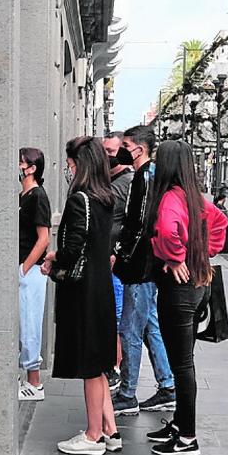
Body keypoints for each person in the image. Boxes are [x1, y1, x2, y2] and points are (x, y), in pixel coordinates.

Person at [143, 140, 227, 455]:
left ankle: (187, 437)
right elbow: (219, 223)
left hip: (179, 288)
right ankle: (179, 425)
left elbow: (166, 231)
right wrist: (201, 254)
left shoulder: (169, 198)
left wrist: (177, 257)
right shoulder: (193, 197)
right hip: (197, 285)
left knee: (181, 363)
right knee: (184, 358)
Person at [43, 137, 119, 455]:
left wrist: (53, 260)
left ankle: (92, 435)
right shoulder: (106, 198)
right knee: (99, 364)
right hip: (101, 287)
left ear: (79, 163)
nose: (67, 168)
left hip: (84, 291)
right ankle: (110, 431)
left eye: (70, 162)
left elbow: (74, 249)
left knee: (90, 365)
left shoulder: (80, 200)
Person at [112, 125, 177, 416]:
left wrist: (120, 253)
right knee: (150, 324)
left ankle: (127, 393)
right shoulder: (150, 175)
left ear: (139, 148)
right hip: (147, 264)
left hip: (140, 265)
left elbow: (138, 224)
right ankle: (168, 385)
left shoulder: (144, 177)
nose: (123, 151)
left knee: (130, 330)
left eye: (125, 145)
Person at [18, 148, 52, 401]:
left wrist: (24, 268)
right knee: (22, 324)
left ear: (32, 168)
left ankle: (35, 383)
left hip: (30, 272)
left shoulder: (38, 196)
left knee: (30, 323)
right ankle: (27, 379)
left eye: (21, 162)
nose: (17, 166)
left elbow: (43, 239)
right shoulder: (22, 196)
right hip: (22, 270)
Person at [104, 132, 135, 390]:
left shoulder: (125, 182)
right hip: (111, 260)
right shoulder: (113, 179)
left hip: (117, 263)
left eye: (110, 153)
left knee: (117, 319)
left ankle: (116, 372)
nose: (106, 157)